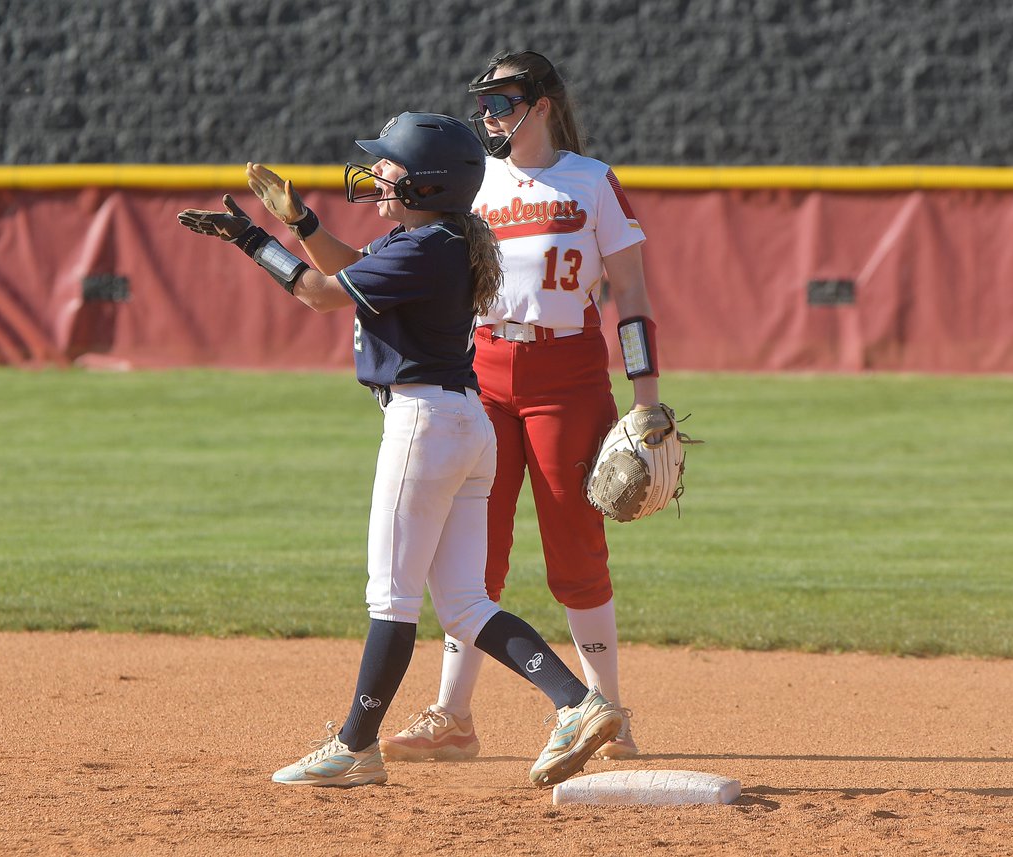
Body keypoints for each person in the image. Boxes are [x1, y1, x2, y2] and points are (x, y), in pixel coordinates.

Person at [179, 111, 622, 789]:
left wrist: (248, 238)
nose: (377, 175)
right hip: (463, 421)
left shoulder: (424, 247)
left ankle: (356, 745)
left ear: (429, 183)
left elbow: (323, 295)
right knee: (468, 603)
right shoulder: (434, 239)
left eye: (390, 167)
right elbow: (355, 273)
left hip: (424, 424)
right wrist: (298, 224)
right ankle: (578, 701)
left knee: (391, 597)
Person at [375, 51, 664, 763]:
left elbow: (631, 295)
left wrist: (646, 397)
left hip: (567, 367)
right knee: (473, 546)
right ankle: (454, 715)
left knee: (575, 542)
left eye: (503, 100)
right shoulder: (475, 180)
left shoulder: (591, 181)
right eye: (483, 103)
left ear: (542, 104)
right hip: (480, 369)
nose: (489, 115)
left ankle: (611, 713)